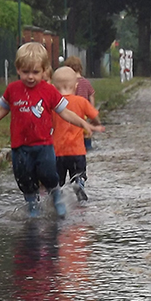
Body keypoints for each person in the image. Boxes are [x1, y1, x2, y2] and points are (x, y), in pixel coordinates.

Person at [0, 42, 94, 218]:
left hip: (44, 145)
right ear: (17, 69)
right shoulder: (13, 90)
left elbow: (64, 112)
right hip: (20, 146)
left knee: (48, 174)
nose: (30, 77)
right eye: (25, 72)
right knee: (23, 177)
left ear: (44, 70)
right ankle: (32, 204)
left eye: (35, 72)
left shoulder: (49, 91)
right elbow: (1, 110)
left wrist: (82, 123)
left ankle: (55, 196)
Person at [51, 65, 104, 201]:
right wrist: (96, 123)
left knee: (58, 180)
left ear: (53, 87)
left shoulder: (53, 105)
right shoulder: (81, 101)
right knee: (78, 173)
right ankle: (78, 183)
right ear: (75, 86)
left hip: (58, 151)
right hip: (77, 150)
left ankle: (56, 198)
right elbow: (94, 115)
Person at [63, 55, 96, 149]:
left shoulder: (68, 83)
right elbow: (92, 96)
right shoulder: (86, 82)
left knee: (73, 130)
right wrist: (91, 110)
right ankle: (87, 145)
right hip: (83, 112)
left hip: (71, 111)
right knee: (85, 130)